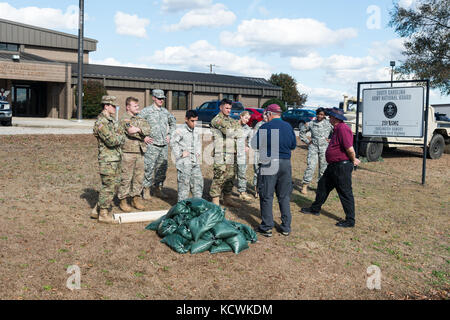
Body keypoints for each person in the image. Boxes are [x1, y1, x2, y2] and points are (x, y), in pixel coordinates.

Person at [301, 107, 361, 228]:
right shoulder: (337, 128)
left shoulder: (343, 129)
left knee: (345, 192)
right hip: (333, 166)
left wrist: (353, 159)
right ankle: (315, 209)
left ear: (335, 118)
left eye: (330, 116)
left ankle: (350, 220)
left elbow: (349, 148)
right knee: (322, 186)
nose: (328, 118)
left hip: (341, 166)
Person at [251, 104, 297, 237]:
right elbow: (293, 145)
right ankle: (286, 226)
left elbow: (255, 144)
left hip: (269, 162)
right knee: (284, 196)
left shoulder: (266, 126)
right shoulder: (288, 126)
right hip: (285, 163)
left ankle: (266, 226)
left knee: (266, 195)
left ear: (269, 114)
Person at [92, 96, 125, 224]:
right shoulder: (101, 123)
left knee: (114, 184)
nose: (115, 108)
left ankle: (96, 210)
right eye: (112, 106)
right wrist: (121, 138)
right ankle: (103, 214)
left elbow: (119, 132)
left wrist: (119, 136)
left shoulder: (111, 121)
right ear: (106, 106)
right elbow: (112, 141)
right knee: (109, 186)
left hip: (115, 158)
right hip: (107, 160)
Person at [139, 89, 177, 200]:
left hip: (163, 145)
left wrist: (170, 134)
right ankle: (146, 190)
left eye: (163, 99)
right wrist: (144, 137)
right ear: (154, 98)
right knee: (149, 168)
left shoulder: (165, 112)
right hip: (152, 145)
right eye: (159, 98)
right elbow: (137, 123)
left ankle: (158, 189)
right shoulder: (146, 111)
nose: (161, 100)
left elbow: (173, 123)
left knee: (162, 168)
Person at [117, 97, 151, 212]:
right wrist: (141, 132)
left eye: (138, 105)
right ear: (128, 107)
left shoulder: (139, 118)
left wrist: (138, 129)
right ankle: (123, 200)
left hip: (140, 151)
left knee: (139, 177)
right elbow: (130, 131)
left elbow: (148, 129)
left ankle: (135, 198)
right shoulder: (124, 118)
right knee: (126, 177)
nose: (137, 107)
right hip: (128, 152)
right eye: (135, 106)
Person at [209, 98, 243, 208]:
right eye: (227, 108)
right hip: (221, 153)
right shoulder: (217, 120)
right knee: (219, 176)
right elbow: (229, 132)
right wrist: (235, 129)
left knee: (230, 176)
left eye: (230, 108)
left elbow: (240, 131)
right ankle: (215, 201)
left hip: (231, 153)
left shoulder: (231, 120)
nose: (229, 110)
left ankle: (227, 198)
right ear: (221, 107)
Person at [299, 107, 333, 195]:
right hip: (313, 147)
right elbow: (302, 132)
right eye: (318, 114)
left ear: (325, 115)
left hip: (324, 148)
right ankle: (305, 185)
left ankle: (320, 187)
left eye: (321, 114)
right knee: (311, 166)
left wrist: (331, 140)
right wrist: (307, 141)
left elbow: (337, 132)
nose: (319, 116)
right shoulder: (311, 123)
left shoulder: (329, 124)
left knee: (323, 168)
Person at [171, 110, 203, 202]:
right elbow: (173, 142)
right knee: (184, 186)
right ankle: (182, 208)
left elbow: (198, 142)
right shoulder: (180, 130)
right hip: (184, 163)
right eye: (192, 121)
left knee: (198, 184)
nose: (195, 123)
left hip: (195, 162)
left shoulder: (196, 130)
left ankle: (197, 205)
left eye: (196, 120)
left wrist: (198, 152)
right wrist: (180, 154)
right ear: (186, 119)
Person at [251, 112, 268, 198]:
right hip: (258, 151)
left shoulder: (272, 125)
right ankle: (256, 190)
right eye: (264, 115)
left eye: (267, 114)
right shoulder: (259, 125)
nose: (265, 116)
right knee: (257, 171)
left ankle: (264, 190)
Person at [236, 111, 253, 201]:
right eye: (245, 118)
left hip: (241, 154)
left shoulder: (247, 129)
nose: (246, 120)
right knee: (228, 174)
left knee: (242, 173)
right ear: (241, 116)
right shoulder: (233, 125)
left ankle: (242, 192)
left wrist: (248, 146)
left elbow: (251, 138)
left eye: (248, 119)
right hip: (231, 153)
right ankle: (225, 193)